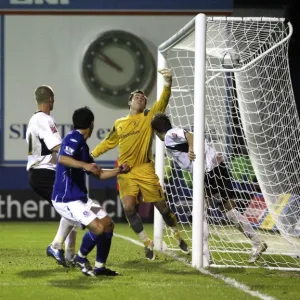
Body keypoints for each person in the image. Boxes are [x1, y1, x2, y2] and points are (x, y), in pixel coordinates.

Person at [91, 69, 189, 260]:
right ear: (129, 102)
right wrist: (91, 154)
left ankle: (176, 234)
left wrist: (168, 82)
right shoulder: (119, 123)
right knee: (128, 208)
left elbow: (162, 102)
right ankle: (147, 242)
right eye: (136, 97)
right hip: (125, 171)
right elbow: (108, 142)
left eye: (143, 98)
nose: (140, 99)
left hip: (145, 168)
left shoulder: (147, 117)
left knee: (163, 208)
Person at [151, 112, 268, 263]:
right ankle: (257, 242)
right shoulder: (173, 134)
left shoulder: (168, 135)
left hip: (207, 171)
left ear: (156, 131)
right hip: (217, 167)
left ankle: (204, 255)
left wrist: (192, 149)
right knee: (229, 211)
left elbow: (189, 135)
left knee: (198, 213)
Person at [51, 106, 129, 276]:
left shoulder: (83, 147)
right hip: (67, 200)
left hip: (82, 199)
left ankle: (100, 267)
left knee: (108, 224)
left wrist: (119, 171)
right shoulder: (74, 137)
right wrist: (85, 165)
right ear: (91, 124)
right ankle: (80, 257)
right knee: (99, 228)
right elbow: (62, 158)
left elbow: (98, 174)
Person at [26, 85, 76, 267]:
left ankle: (69, 255)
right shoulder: (44, 119)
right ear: (51, 99)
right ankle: (56, 247)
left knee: (72, 207)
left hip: (40, 172)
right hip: (43, 172)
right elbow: (57, 147)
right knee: (74, 208)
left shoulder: (34, 120)